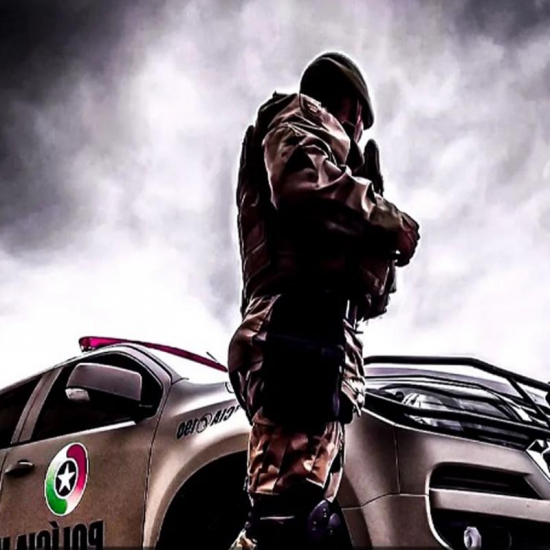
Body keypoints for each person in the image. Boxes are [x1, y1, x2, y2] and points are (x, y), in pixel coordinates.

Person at [228, 52, 420, 549]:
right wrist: (384, 216)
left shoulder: (333, 159)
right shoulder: (301, 115)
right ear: (346, 104)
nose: (357, 132)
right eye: (359, 118)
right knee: (287, 521)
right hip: (298, 333)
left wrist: (375, 243)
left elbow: (369, 296)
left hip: (319, 342)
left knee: (301, 516)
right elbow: (301, 183)